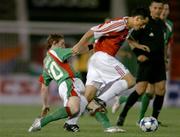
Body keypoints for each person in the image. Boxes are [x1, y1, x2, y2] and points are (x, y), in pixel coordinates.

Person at [72, 7, 149, 128]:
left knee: (88, 96)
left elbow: (127, 37)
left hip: (95, 60)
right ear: (137, 18)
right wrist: (77, 46)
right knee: (130, 81)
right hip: (104, 57)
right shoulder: (118, 24)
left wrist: (136, 45)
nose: (143, 26)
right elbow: (91, 31)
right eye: (142, 23)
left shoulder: (127, 27)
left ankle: (70, 123)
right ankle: (101, 100)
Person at [116, 0, 167, 126]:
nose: (158, 10)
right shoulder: (144, 22)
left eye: (160, 8)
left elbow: (163, 43)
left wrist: (165, 58)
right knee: (140, 90)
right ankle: (123, 115)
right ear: (150, 8)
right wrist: (139, 55)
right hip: (147, 62)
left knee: (161, 90)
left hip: (159, 62)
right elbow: (130, 39)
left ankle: (154, 119)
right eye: (155, 8)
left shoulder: (161, 24)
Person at [28, 34, 88, 132]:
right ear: (54, 43)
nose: (63, 47)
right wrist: (93, 46)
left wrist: (45, 104)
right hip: (69, 82)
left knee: (86, 100)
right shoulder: (57, 52)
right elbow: (76, 50)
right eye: (62, 44)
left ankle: (70, 125)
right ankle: (41, 123)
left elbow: (44, 87)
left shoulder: (46, 62)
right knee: (74, 108)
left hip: (63, 86)